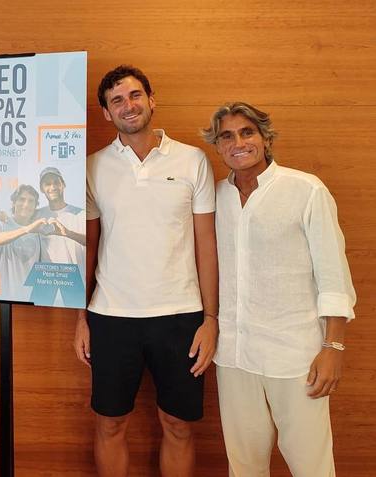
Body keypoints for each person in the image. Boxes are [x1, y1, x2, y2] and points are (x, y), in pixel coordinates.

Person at [76, 65, 218, 477]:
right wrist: (80, 317)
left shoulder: (193, 161)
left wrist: (211, 319)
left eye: (135, 95)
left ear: (151, 100)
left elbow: (206, 246)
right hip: (111, 316)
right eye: (116, 100)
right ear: (106, 113)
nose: (128, 105)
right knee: (110, 423)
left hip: (181, 317)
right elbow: (86, 247)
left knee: (177, 425)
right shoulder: (92, 167)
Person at [201, 102, 356, 477]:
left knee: (311, 465)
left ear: (266, 138)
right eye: (227, 136)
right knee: (245, 465)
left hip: (296, 357)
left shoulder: (306, 190)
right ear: (218, 147)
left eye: (247, 132)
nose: (238, 142)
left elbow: (333, 274)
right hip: (234, 356)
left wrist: (332, 347)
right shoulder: (212, 200)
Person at [0, 184, 44, 300]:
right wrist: (26, 229)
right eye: (22, 199)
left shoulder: (38, 232)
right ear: (14, 202)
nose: (26, 204)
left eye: (31, 201)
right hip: (0, 298)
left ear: (35, 206)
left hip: (28, 300)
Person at [34, 166, 86, 271]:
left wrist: (68, 233)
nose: (52, 187)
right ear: (42, 189)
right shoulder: (36, 216)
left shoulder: (81, 214)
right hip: (47, 281)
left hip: (75, 281)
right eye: (47, 184)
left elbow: (92, 242)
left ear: (63, 184)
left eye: (56, 182)